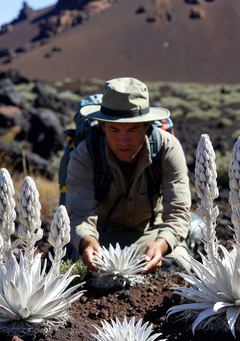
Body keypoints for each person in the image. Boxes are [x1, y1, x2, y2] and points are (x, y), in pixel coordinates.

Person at [65, 77, 191, 273]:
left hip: (151, 234)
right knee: (83, 272)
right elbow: (80, 215)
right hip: (101, 237)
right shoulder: (85, 155)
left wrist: (161, 245)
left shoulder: (167, 149)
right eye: (114, 129)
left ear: (147, 126)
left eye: (133, 129)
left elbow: (178, 212)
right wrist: (88, 243)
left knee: (180, 267)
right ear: (102, 126)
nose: (123, 140)